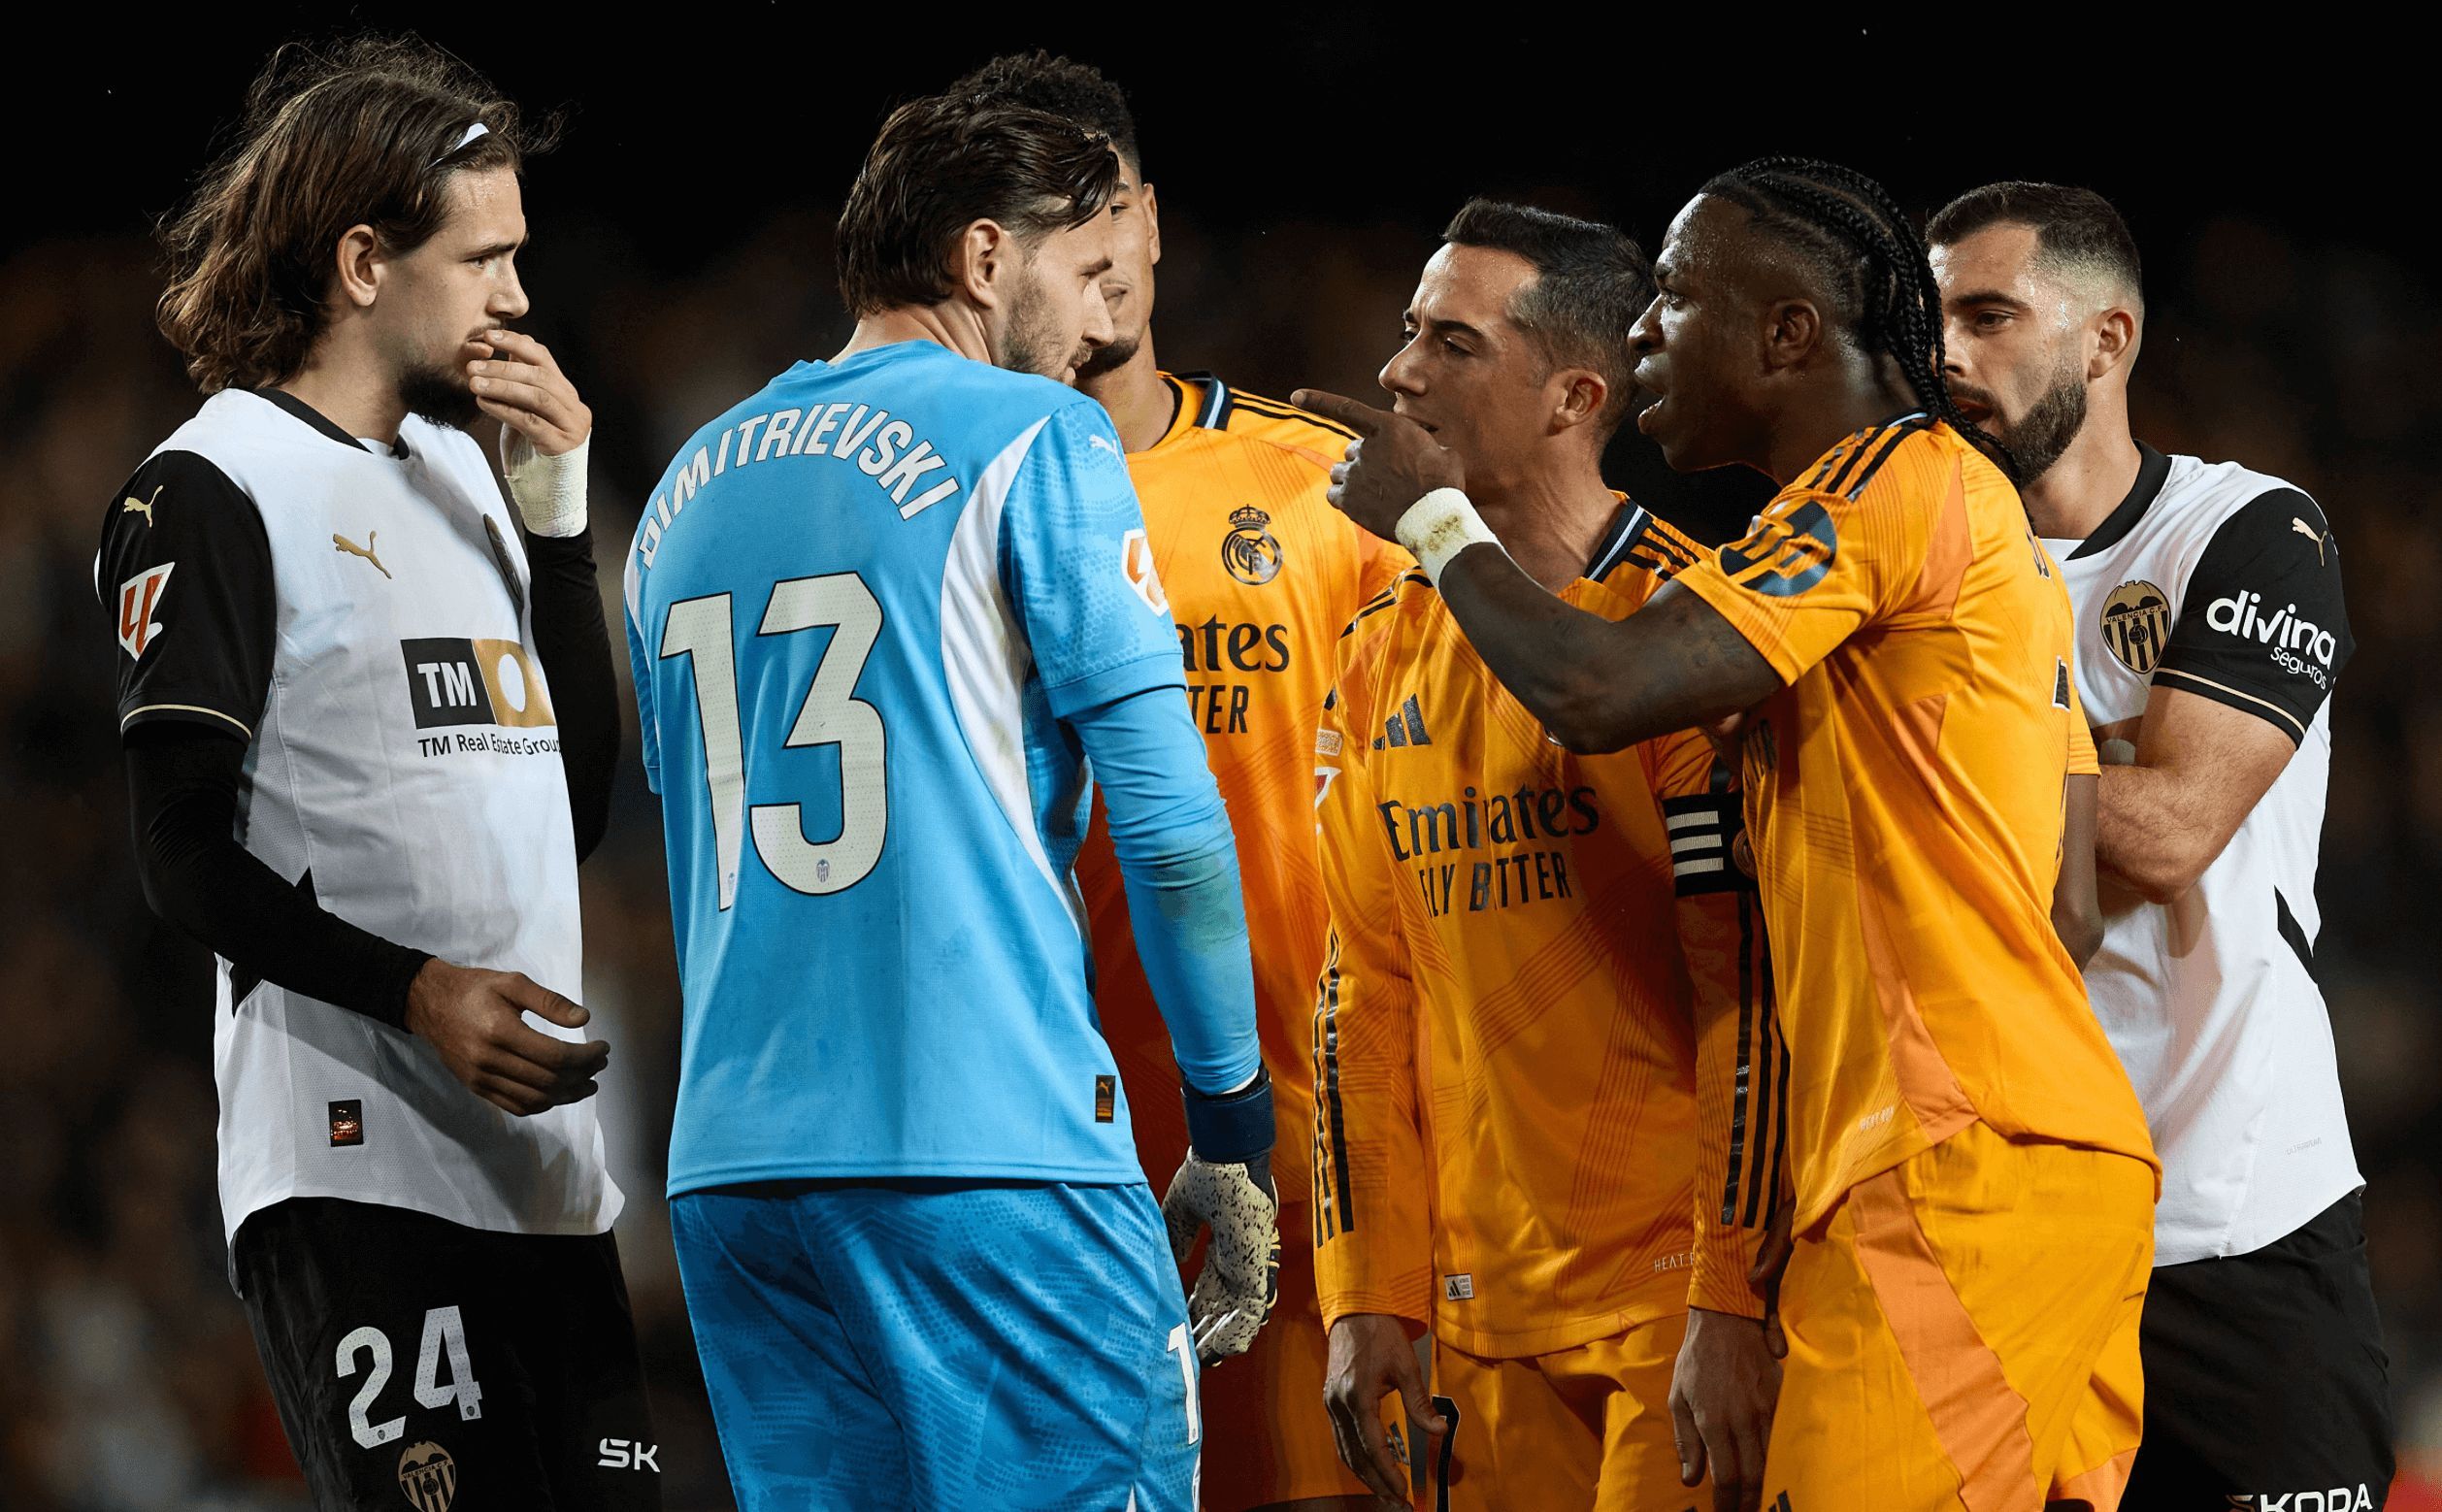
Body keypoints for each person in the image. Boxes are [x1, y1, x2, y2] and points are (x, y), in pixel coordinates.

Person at [1297, 156, 2157, 1511]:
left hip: (1944, 1166)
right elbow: (2070, 903)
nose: (1648, 325)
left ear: (1786, 334)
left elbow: (1598, 692)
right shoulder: (1951, 541)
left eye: (1682, 297)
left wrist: (1422, 512)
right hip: (2023, 1157)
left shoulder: (1884, 487)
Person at [624, 91, 1277, 1512]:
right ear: (986, 260)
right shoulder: (1033, 438)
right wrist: (1230, 1127)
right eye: (1076, 269)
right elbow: (1168, 830)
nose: (1099, 322)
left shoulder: (677, 495)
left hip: (738, 1179)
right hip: (991, 1158)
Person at [98, 36, 655, 1510]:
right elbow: (180, 854)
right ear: (362, 260)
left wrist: (556, 535)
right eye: (485, 259)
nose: (520, 298)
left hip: (551, 1187)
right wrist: (418, 989)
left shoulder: (468, 473)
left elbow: (572, 807)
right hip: (361, 1181)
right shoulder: (210, 485)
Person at [945, 50, 1410, 1512]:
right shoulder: (951, 503)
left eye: (1115, 208)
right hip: (1050, 1145)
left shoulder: (1324, 485)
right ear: (991, 259)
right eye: (1054, 225)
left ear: (1152, 220)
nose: (1099, 252)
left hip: (1312, 1144)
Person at [1308, 199, 1777, 1512]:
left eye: (1452, 343)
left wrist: (1732, 1296)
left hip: (1670, 1329)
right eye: (1408, 332)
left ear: (1578, 393)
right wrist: (1366, 1286)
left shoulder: (1693, 629)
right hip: (1474, 1333)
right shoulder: (1376, 653)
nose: (1400, 373)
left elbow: (1749, 990)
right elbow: (1363, 996)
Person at [1930, 181, 2392, 1510]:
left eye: (1991, 314)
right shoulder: (1921, 575)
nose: (1948, 354)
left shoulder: (2247, 530)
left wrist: (1924, 782)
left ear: (2106, 339)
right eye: (1935, 321)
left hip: (2237, 1213)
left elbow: (2178, 826)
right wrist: (2088, 779)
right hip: (2008, 1229)